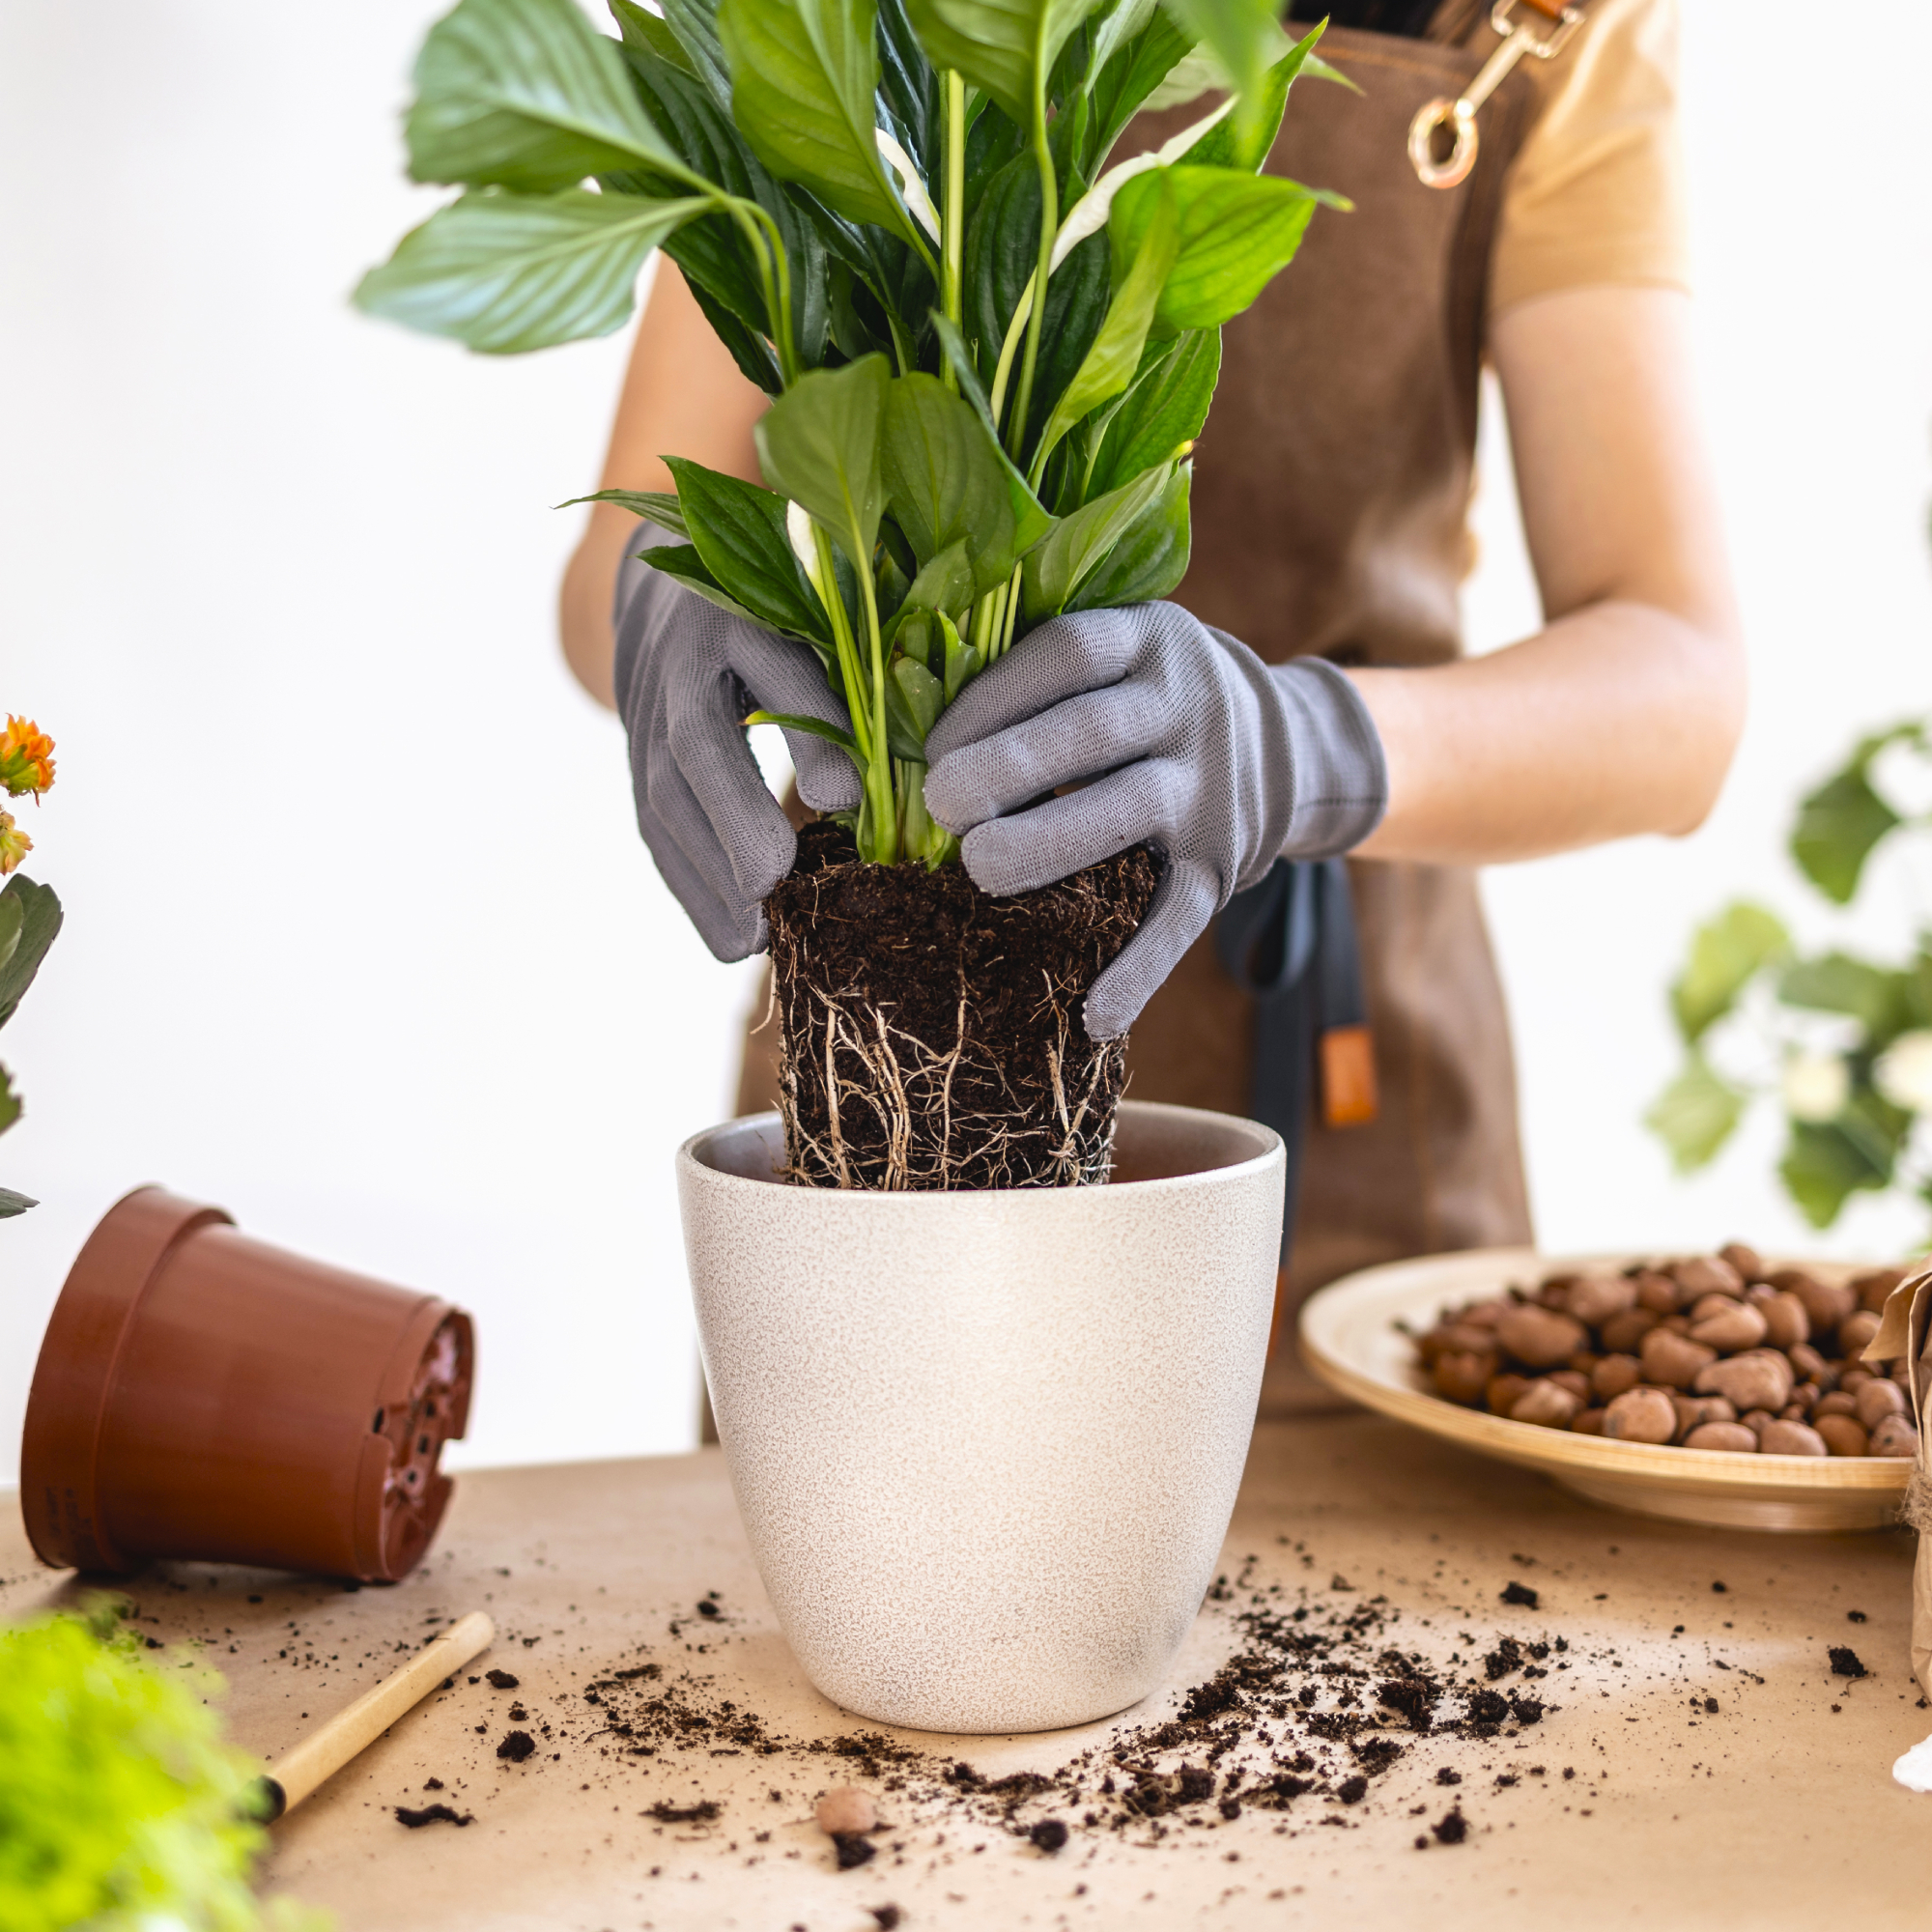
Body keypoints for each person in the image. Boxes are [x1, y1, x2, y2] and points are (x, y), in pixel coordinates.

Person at [559, 0, 1744, 1413]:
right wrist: (659, 594)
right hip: (883, 1093)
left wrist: (1294, 749)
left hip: (1330, 1092)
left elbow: (1681, 681)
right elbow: (617, 553)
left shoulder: (1549, 22)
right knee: (865, 1573)